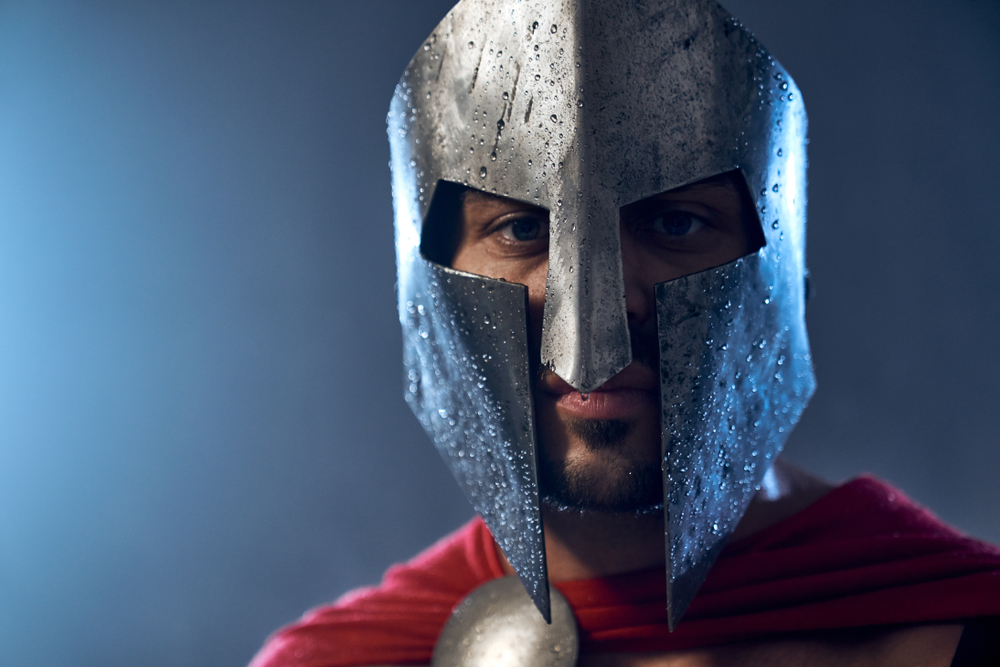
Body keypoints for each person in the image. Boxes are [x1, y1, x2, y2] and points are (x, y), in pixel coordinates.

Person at [250, 0, 1000, 664]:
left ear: (777, 272)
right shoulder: (339, 659)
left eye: (676, 221)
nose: (600, 309)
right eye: (519, 227)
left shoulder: (954, 630)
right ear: (429, 281)